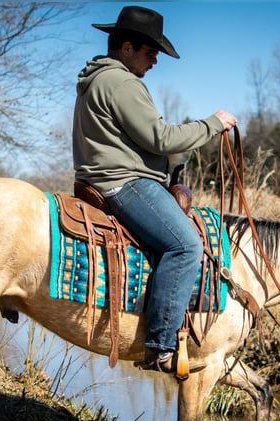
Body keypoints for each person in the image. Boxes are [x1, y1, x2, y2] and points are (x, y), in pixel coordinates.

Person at [72, 5, 237, 375]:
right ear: (127, 47)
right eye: (151, 53)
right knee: (186, 245)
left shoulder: (98, 79)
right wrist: (212, 124)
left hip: (106, 178)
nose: (155, 62)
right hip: (123, 183)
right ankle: (161, 345)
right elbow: (160, 137)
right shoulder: (122, 82)